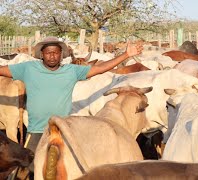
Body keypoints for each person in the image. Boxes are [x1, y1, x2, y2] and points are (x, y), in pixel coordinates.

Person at [0, 36, 143, 154]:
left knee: (67, 169)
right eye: (48, 52)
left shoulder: (71, 71)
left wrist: (126, 55)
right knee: (30, 169)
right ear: (41, 54)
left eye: (56, 52)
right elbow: (2, 70)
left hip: (63, 130)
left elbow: (99, 68)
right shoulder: (28, 68)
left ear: (61, 55)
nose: (52, 55)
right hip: (36, 131)